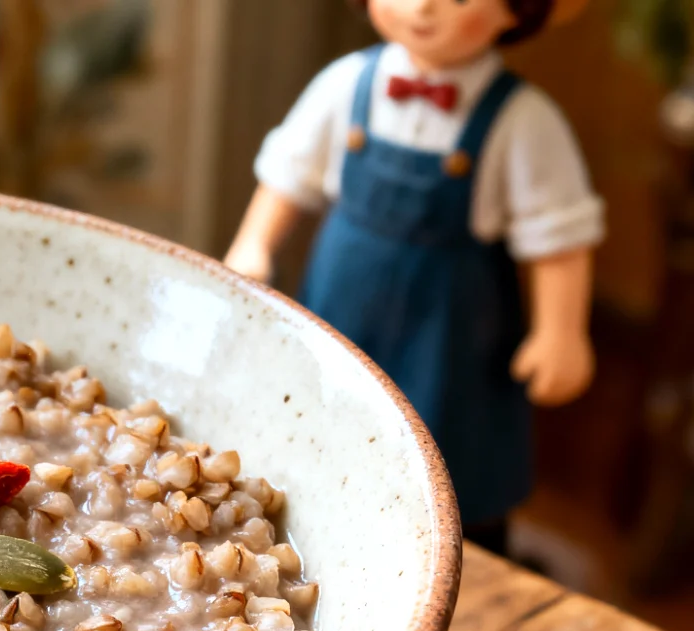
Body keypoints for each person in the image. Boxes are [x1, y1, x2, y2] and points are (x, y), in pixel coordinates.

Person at [224, 0, 604, 556]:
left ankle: (463, 564)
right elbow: (289, 175)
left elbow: (558, 236)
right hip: (344, 302)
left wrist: (560, 331)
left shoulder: (524, 119)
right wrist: (253, 244)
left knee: (452, 462)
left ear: (517, 11)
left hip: (452, 329)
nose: (423, 7)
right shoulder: (345, 83)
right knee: (325, 425)